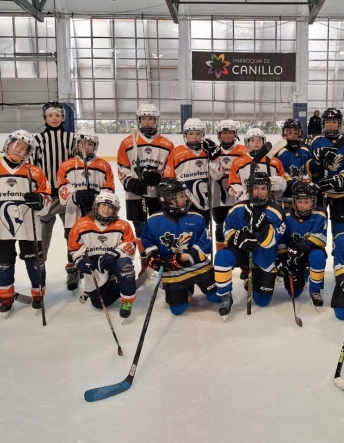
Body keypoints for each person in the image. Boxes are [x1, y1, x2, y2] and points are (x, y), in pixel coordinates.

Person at [0, 130, 52, 316]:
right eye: (16, 145)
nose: (18, 150)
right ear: (8, 144)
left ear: (28, 153)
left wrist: (40, 201)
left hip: (29, 227)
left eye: (24, 148)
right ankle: (6, 296)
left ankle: (38, 294)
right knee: (3, 262)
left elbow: (47, 201)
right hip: (1, 227)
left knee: (35, 262)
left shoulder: (35, 172)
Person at [141, 179, 219, 315]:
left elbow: (205, 243)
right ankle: (187, 289)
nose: (186, 198)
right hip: (172, 270)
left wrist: (186, 257)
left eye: (184, 195)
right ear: (168, 200)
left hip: (197, 266)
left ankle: (198, 285)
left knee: (215, 297)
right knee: (178, 309)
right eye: (181, 196)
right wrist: (154, 256)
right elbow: (148, 242)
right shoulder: (154, 221)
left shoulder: (197, 218)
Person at [214, 172, 286, 319]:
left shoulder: (276, 213)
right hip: (242, 253)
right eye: (255, 188)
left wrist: (261, 228)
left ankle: (254, 280)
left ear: (269, 190)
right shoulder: (237, 209)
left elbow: (271, 242)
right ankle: (225, 295)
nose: (259, 192)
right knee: (221, 257)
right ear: (248, 189)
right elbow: (226, 231)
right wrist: (239, 238)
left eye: (263, 188)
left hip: (264, 259)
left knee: (262, 302)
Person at [116, 103, 175, 280]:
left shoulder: (167, 144)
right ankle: (145, 261)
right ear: (139, 120)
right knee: (140, 228)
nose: (147, 122)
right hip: (135, 194)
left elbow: (171, 168)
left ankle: (161, 259)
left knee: (160, 226)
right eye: (144, 118)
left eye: (151, 118)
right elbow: (122, 167)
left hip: (159, 194)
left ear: (157, 120)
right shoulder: (127, 142)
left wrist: (159, 177)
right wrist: (130, 182)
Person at [56, 129, 115, 292]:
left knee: (100, 240)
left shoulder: (103, 165)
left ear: (95, 146)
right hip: (73, 214)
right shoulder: (67, 165)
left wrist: (97, 198)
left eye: (90, 144)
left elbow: (109, 188)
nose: (86, 147)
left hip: (97, 214)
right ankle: (73, 270)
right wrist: (76, 196)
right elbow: (62, 190)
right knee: (72, 241)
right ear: (76, 145)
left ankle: (105, 269)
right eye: (83, 144)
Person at [68, 191, 138, 319]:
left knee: (125, 265)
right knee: (99, 303)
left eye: (111, 207)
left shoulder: (122, 225)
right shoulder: (81, 224)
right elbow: (74, 249)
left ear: (115, 210)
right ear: (96, 206)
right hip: (95, 266)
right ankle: (117, 286)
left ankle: (127, 299)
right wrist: (80, 262)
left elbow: (130, 245)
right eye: (103, 205)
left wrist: (114, 253)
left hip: (115, 262)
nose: (106, 209)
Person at [32, 102, 75, 263]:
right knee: (43, 234)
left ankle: (73, 265)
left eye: (57, 115)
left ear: (63, 117)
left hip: (67, 195)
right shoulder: (37, 140)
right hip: (47, 196)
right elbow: (32, 168)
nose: (54, 118)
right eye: (50, 115)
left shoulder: (72, 138)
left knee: (72, 233)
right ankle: (40, 264)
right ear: (45, 118)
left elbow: (76, 165)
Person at [277, 181, 328, 308]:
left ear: (313, 201)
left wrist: (299, 248)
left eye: (306, 202)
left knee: (319, 256)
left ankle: (315, 291)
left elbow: (320, 239)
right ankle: (303, 273)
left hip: (311, 252)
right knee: (294, 294)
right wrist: (283, 258)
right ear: (294, 201)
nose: (303, 205)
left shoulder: (320, 214)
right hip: (292, 256)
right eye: (300, 201)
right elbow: (281, 240)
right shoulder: (286, 216)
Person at [306, 108, 344, 240]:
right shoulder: (316, 141)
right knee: (317, 226)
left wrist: (340, 180)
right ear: (323, 123)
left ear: (339, 123)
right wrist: (316, 161)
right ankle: (317, 250)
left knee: (339, 226)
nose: (331, 125)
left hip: (340, 193)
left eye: (334, 121)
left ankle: (338, 250)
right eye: (328, 122)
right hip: (320, 192)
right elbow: (309, 168)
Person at [208, 120, 248, 253]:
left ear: (235, 134)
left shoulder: (243, 150)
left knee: (240, 226)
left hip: (238, 196)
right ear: (219, 135)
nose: (227, 136)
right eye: (224, 133)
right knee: (220, 227)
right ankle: (221, 255)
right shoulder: (213, 151)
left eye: (230, 133)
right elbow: (214, 175)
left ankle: (239, 258)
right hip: (217, 196)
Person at [163, 118, 212, 225]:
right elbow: (169, 177)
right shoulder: (176, 152)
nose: (194, 137)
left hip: (205, 199)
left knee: (204, 227)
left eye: (198, 133)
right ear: (185, 135)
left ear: (202, 134)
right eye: (191, 134)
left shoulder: (207, 151)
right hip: (184, 199)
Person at [228, 127, 286, 203]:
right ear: (247, 143)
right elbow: (233, 185)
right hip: (245, 203)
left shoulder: (275, 162)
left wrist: (278, 183)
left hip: (268, 203)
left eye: (259, 140)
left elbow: (283, 183)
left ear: (263, 142)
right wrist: (246, 197)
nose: (256, 143)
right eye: (252, 140)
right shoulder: (237, 162)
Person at [275, 118, 310, 209]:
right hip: (285, 199)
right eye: (289, 133)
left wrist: (306, 184)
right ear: (285, 134)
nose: (293, 136)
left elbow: (309, 173)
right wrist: (294, 184)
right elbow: (282, 174)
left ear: (300, 133)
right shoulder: (281, 153)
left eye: (295, 133)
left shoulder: (306, 151)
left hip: (302, 200)